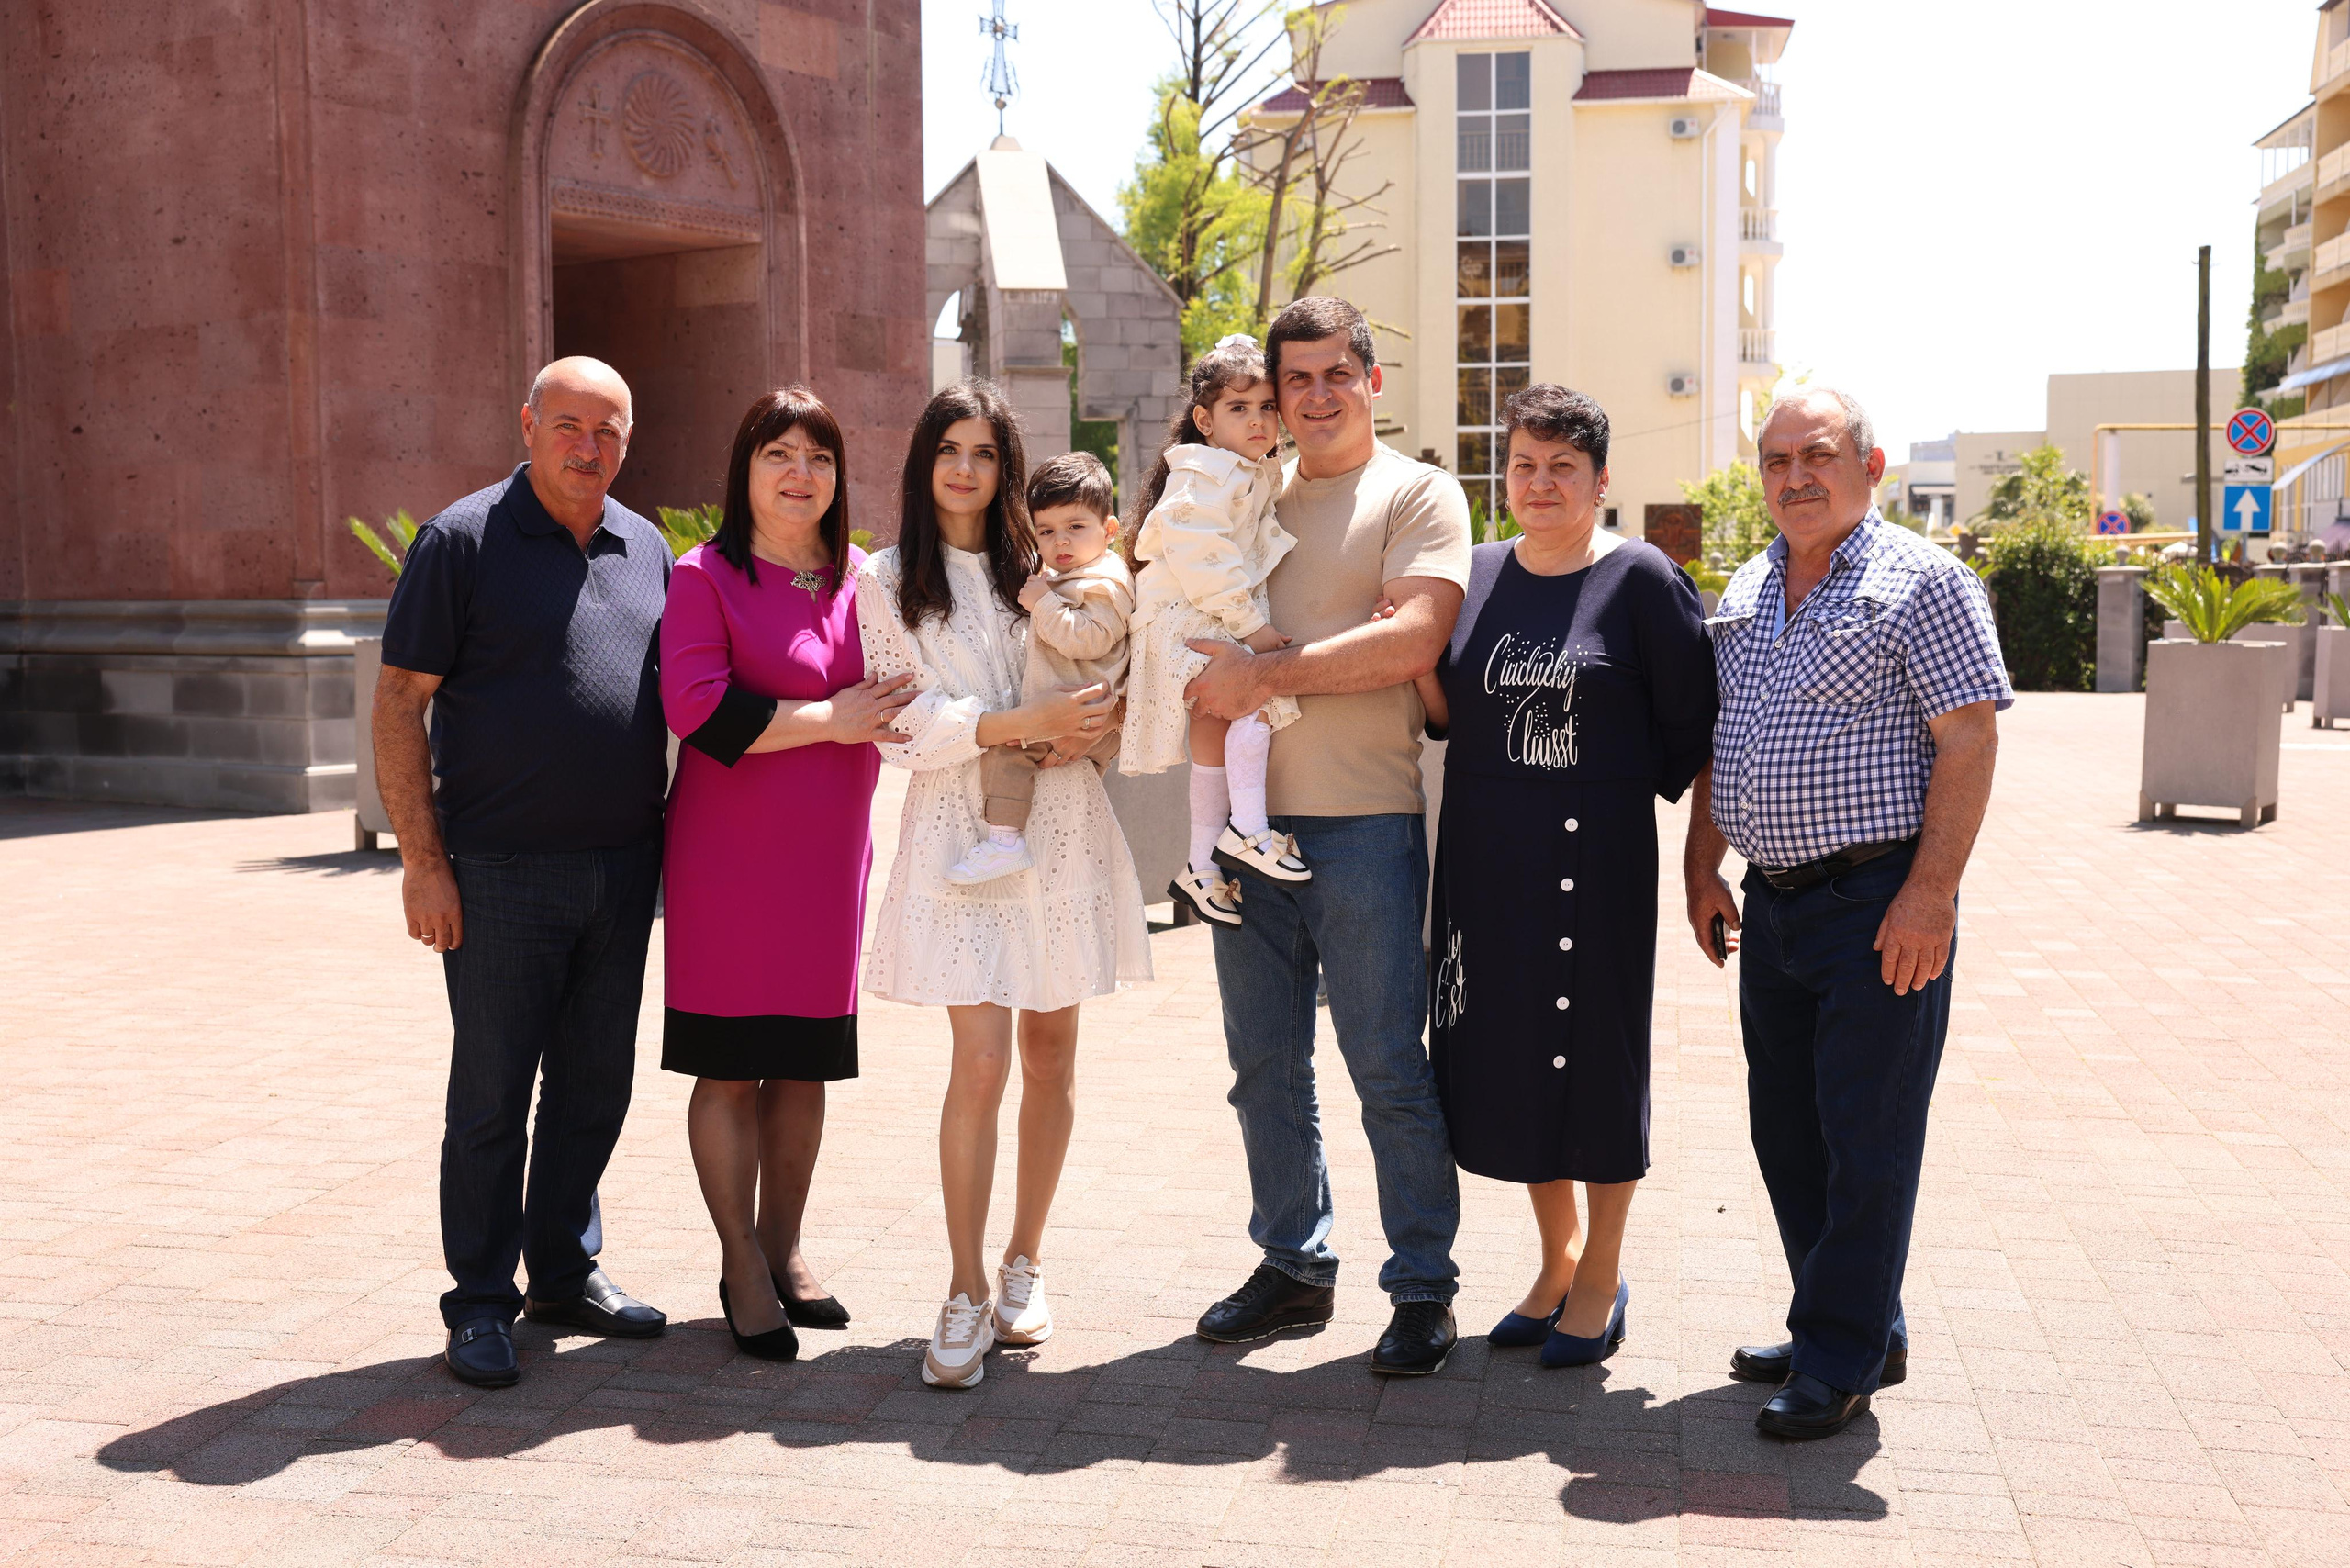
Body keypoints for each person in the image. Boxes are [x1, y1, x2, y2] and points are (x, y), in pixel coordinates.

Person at [1683, 386, 2009, 1439]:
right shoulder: (1747, 585)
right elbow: (1722, 739)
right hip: (1771, 906)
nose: (1795, 478)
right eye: (1776, 461)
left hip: (1878, 903)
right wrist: (1700, 863)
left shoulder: (1924, 583)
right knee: (1788, 1131)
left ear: (1869, 465)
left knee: (1865, 1136)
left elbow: (1968, 739)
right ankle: (1857, 1325)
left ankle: (1837, 1355)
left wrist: (1930, 893)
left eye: (1816, 455)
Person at [1182, 297, 1472, 1376]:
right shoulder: (1248, 488)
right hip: (1242, 833)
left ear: (1372, 380)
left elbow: (1412, 639)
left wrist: (1263, 674)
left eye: (1334, 373)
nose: (1314, 396)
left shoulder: (1416, 492)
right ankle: (1292, 1264)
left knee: (1386, 1063)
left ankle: (1422, 1286)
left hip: (1364, 828)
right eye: (1293, 378)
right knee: (1262, 1064)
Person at [374, 357, 671, 1390]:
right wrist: (423, 863)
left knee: (594, 1085)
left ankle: (563, 1272)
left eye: (608, 430)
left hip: (624, 868)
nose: (588, 446)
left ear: (627, 441)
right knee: (493, 1096)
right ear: (528, 425)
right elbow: (399, 700)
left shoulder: (647, 547)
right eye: (569, 425)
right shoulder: (461, 540)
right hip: (499, 872)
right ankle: (479, 1302)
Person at [856, 382, 1153, 1390]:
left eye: (985, 452)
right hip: (959, 831)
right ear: (923, 460)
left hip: (1059, 821)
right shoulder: (887, 578)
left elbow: (1115, 661)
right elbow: (897, 724)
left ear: (1008, 467)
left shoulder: (1048, 560)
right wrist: (1012, 726)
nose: (966, 468)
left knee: (1052, 1055)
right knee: (979, 1063)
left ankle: (1026, 1259)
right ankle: (964, 1286)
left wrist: (1099, 722)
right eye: (950, 448)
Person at [1415, 386, 1716, 1369]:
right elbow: (1448, 715)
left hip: (1596, 862)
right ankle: (1557, 1259)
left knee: (1592, 1062)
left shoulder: (1641, 578)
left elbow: (1694, 727)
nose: (1539, 484)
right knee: (1510, 1060)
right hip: (1487, 858)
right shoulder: (1473, 573)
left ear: (1599, 479)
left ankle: (1602, 1273)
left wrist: (1685, 853)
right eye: (1523, 466)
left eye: (1562, 468)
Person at [658, 387, 916, 1362]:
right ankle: (739, 1262)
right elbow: (696, 707)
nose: (800, 474)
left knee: (804, 1062)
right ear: (746, 469)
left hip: (827, 861)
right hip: (728, 863)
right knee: (730, 1066)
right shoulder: (704, 575)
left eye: (819, 457)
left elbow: (907, 687)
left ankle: (784, 1246)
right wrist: (831, 720)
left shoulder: (865, 579)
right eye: (779, 454)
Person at [1120, 333, 1308, 924]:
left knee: (1212, 732)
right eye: (1239, 407)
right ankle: (1248, 829)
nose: (1257, 421)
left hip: (1186, 618)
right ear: (1204, 420)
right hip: (1188, 617)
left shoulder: (1242, 470)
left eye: (1267, 407)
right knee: (1257, 695)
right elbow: (1205, 558)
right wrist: (1253, 630)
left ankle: (1201, 866)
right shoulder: (1204, 474)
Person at [946, 450, 1136, 885]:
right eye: (1047, 531)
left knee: (1007, 752)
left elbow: (1089, 638)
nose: (1060, 542)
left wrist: (1043, 603)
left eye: (1075, 527)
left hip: (1079, 709)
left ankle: (1004, 841)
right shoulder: (1076, 575)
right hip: (1085, 712)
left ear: (1109, 530)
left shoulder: (1104, 584)